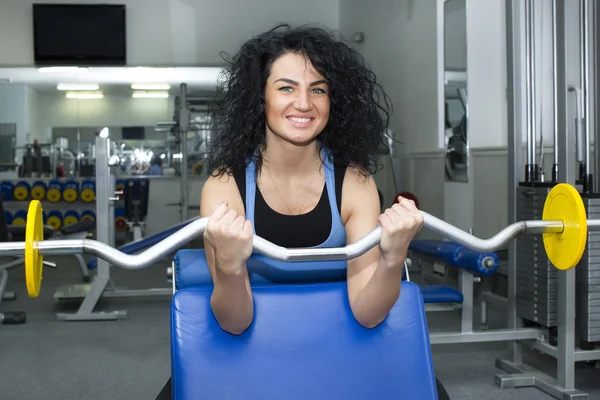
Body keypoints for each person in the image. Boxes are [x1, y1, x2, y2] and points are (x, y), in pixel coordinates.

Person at [156, 24, 450, 400]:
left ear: (332, 100)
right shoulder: (226, 186)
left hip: (342, 341)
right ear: (260, 98)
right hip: (249, 344)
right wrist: (229, 268)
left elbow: (368, 313)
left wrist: (393, 259)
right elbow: (234, 322)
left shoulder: (353, 182)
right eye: (286, 87)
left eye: (318, 89)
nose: (304, 104)